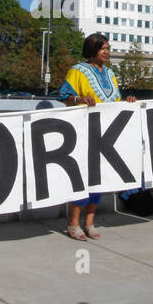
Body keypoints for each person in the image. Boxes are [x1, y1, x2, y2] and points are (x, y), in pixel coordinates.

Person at [58, 33, 137, 239]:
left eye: (108, 48)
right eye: (103, 48)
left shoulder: (110, 73)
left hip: (107, 133)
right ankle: (73, 223)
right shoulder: (78, 70)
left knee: (100, 180)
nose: (106, 52)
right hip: (85, 132)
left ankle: (90, 222)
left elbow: (115, 99)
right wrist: (80, 98)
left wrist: (127, 101)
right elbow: (63, 96)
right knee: (83, 178)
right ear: (92, 48)